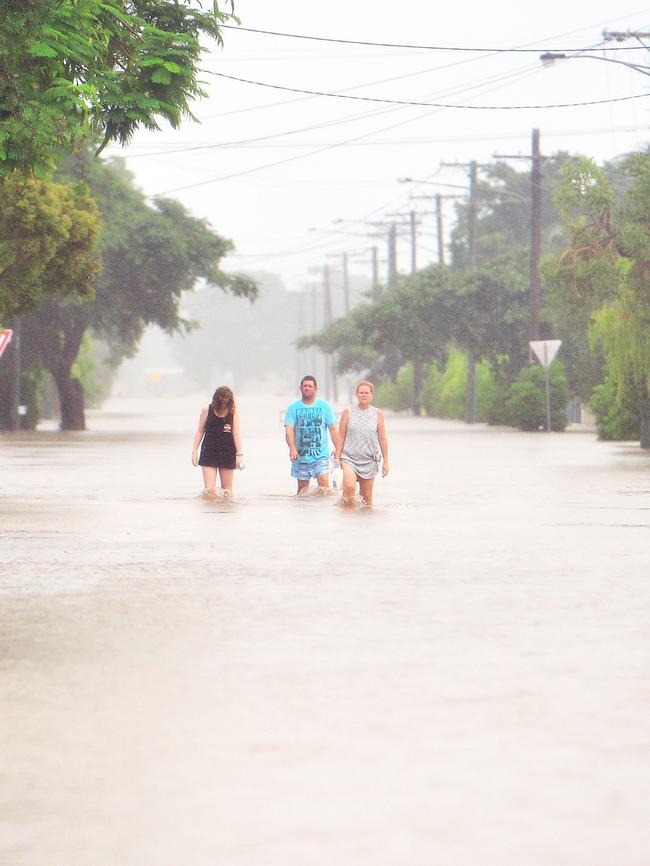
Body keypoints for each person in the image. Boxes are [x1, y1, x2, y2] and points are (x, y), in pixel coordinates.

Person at [334, 380, 389, 507]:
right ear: (357, 395)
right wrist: (337, 457)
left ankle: (364, 524)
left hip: (369, 459)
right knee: (349, 487)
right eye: (361, 393)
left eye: (366, 393)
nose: (364, 395)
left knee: (367, 498)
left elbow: (383, 438)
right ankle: (346, 518)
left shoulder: (378, 414)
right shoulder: (348, 411)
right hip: (349, 457)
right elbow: (341, 435)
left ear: (371, 395)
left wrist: (386, 461)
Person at [284, 375, 339, 495]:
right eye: (305, 386)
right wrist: (292, 448)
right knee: (302, 491)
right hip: (301, 456)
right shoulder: (293, 409)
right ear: (300, 388)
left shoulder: (325, 407)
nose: (307, 388)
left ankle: (324, 512)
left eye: (310, 386)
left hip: (321, 455)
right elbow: (289, 430)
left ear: (315, 389)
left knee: (324, 488)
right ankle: (303, 512)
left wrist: (338, 449)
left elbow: (333, 429)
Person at [192, 386, 243, 498]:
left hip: (228, 452)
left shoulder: (233, 411)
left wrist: (239, 455)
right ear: (216, 400)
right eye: (222, 402)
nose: (224, 405)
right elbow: (200, 431)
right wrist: (194, 451)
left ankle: (225, 511)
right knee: (209, 491)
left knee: (227, 492)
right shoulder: (207, 410)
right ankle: (211, 513)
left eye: (227, 402)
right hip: (209, 451)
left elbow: (236, 433)